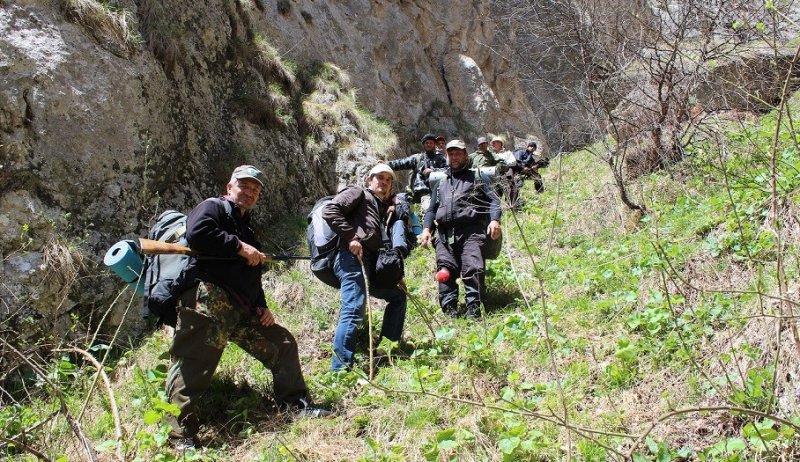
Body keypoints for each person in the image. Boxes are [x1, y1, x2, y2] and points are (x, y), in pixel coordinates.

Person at [165, 165, 329, 451]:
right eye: (245, 186)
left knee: (283, 343)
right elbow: (197, 232)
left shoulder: (248, 228)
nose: (250, 192)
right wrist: (239, 247)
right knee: (194, 365)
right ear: (230, 187)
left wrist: (261, 306)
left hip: (241, 308)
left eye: (256, 189)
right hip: (209, 298)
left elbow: (252, 275)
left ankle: (295, 405)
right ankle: (181, 438)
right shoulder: (213, 207)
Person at [322, 163, 408, 370]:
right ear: (369, 180)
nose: (384, 182)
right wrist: (351, 237)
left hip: (371, 263)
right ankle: (340, 370)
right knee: (353, 308)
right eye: (380, 178)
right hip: (351, 257)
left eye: (388, 180)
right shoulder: (358, 192)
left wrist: (396, 276)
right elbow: (330, 210)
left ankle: (383, 351)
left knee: (398, 296)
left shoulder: (381, 208)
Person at [420, 140, 502, 319]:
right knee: (445, 272)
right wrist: (426, 229)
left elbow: (494, 200)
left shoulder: (478, 177)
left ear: (466, 155)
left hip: (471, 231)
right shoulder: (441, 183)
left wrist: (495, 220)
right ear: (447, 156)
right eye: (451, 154)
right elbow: (432, 209)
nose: (454, 157)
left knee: (473, 268)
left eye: (458, 153)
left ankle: (474, 309)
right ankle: (450, 312)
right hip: (443, 234)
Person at [388, 134, 447, 211]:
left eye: (431, 143)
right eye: (427, 143)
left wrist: (433, 171)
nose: (429, 145)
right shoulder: (417, 158)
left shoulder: (440, 158)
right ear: (423, 144)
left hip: (440, 192)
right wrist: (386, 164)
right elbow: (401, 163)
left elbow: (448, 170)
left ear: (434, 145)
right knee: (427, 210)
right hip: (423, 192)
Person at [470, 136, 518, 208]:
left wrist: (496, 169)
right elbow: (465, 163)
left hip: (487, 178)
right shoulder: (473, 156)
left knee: (492, 195)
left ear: (487, 144)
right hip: (473, 179)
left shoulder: (492, 155)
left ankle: (508, 206)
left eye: (484, 144)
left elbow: (502, 162)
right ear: (478, 146)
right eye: (481, 144)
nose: (483, 145)